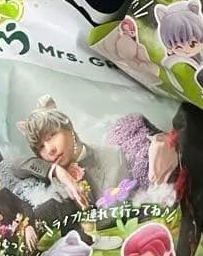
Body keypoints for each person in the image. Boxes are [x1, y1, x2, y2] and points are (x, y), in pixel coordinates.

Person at [12, 96, 128, 224]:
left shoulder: (112, 156)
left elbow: (121, 213)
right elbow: (15, 166)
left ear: (68, 128)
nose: (50, 149)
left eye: (52, 136)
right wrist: (55, 170)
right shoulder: (50, 172)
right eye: (41, 147)